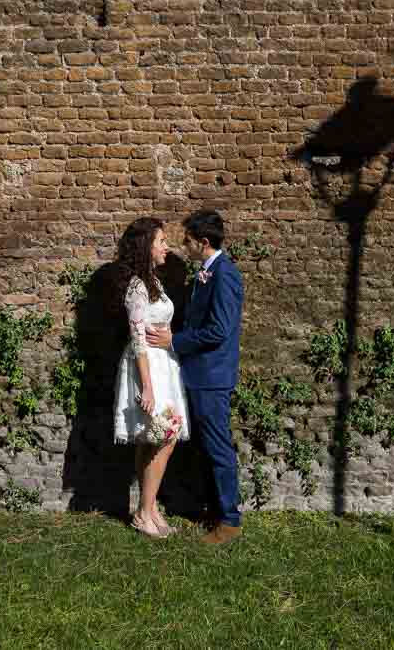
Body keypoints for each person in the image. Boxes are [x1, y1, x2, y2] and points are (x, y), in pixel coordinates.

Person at [146, 209, 244, 545]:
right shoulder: (206, 273)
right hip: (200, 374)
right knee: (206, 446)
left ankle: (230, 520)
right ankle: (213, 509)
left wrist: (174, 341)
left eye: (187, 240)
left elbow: (219, 329)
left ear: (203, 243)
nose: (181, 246)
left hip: (212, 376)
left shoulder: (224, 275)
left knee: (217, 447)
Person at [112, 217, 190, 539]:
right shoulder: (137, 287)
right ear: (146, 246)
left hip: (163, 364)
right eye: (161, 241)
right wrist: (147, 386)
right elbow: (137, 338)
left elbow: (156, 325)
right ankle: (145, 512)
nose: (166, 247)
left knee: (155, 438)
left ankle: (149, 508)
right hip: (148, 369)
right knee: (163, 436)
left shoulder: (153, 282)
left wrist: (169, 334)